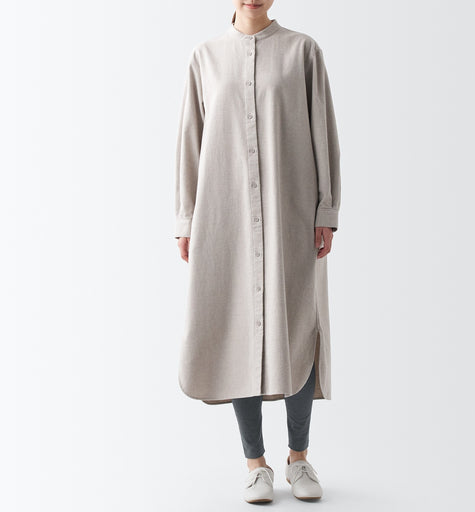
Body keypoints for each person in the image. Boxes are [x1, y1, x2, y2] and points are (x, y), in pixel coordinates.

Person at [174, 0, 341, 504]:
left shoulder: (302, 52)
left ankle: (299, 458)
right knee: (236, 331)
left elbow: (323, 132)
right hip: (223, 217)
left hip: (291, 215)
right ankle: (255, 464)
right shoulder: (205, 57)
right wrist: (186, 219)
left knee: (298, 326)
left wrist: (326, 209)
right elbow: (190, 141)